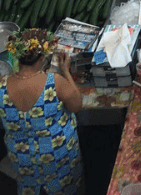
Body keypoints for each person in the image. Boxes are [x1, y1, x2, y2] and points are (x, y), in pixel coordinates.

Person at [0, 29, 83, 195]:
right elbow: (76, 105)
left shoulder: (1, 86)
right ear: (43, 56)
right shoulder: (54, 82)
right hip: (57, 157)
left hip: (23, 161)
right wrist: (66, 71)